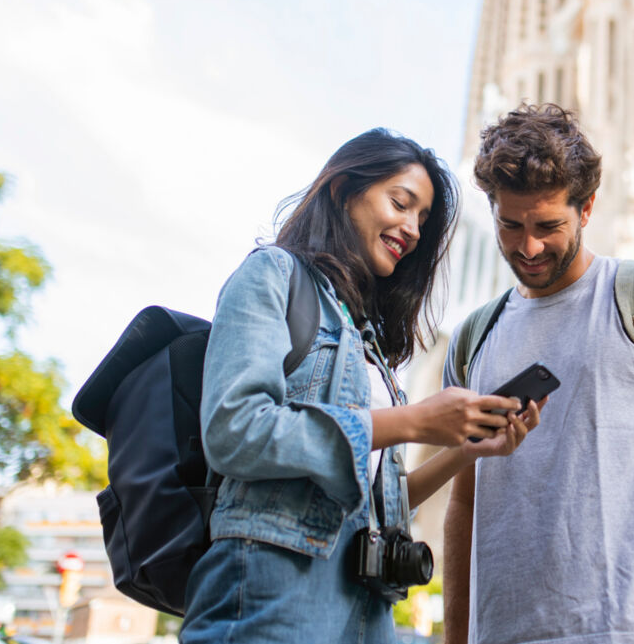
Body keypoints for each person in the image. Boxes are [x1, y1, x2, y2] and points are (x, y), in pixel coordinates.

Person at [180, 128, 541, 644]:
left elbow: (378, 504)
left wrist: (468, 451)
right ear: (343, 189)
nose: (413, 229)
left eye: (422, 218)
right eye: (401, 203)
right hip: (274, 593)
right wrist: (412, 422)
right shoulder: (273, 276)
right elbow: (234, 429)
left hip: (365, 605)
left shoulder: (364, 336)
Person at [442, 104, 634, 644]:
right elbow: (464, 500)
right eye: (511, 225)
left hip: (626, 629)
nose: (528, 247)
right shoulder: (472, 338)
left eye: (547, 226)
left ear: (587, 209)